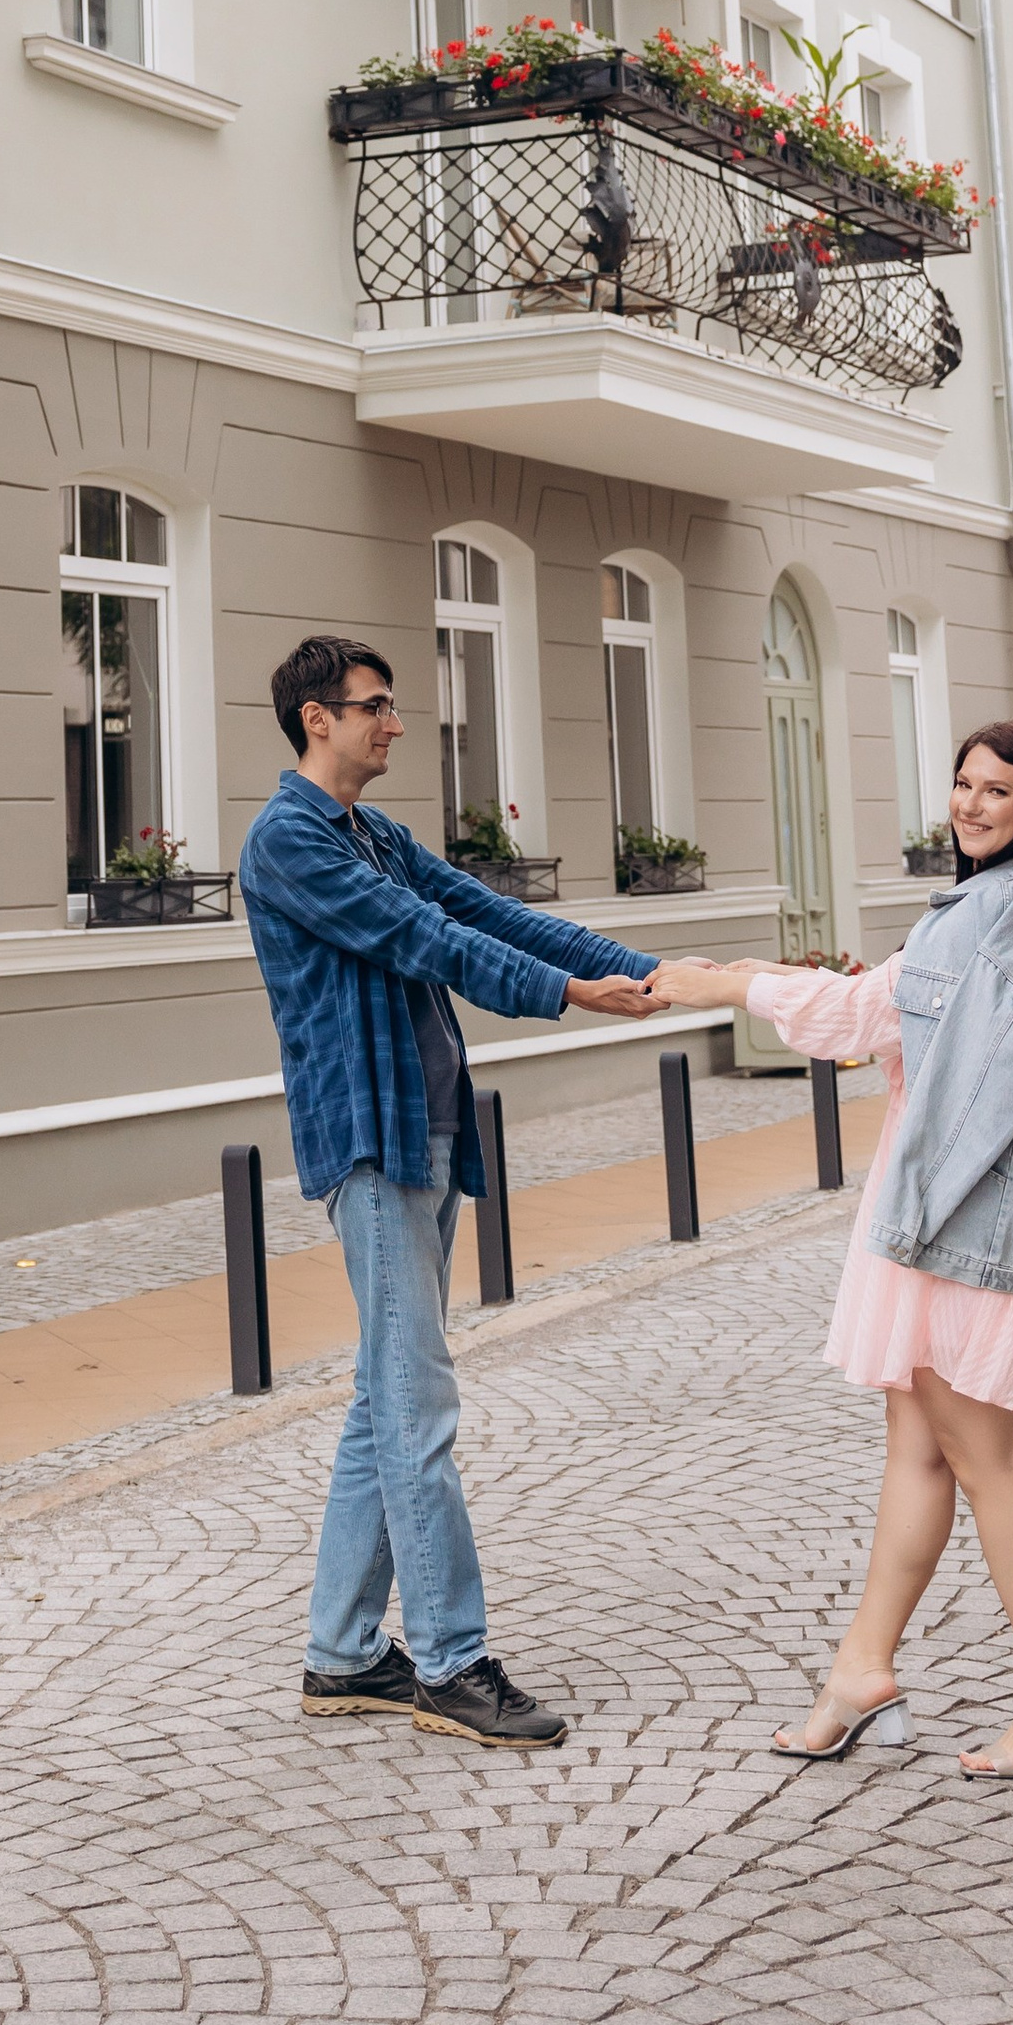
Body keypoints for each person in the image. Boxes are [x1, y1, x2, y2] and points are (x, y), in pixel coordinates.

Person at [656, 717, 1013, 1783]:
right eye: (963, 784)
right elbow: (898, 1008)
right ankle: (861, 1673)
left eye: (997, 791)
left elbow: (880, 1022)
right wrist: (760, 977)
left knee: (989, 1463)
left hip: (966, 1229)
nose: (971, 805)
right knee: (917, 1450)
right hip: (955, 1222)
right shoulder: (1006, 905)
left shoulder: (1002, 916)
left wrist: (729, 985)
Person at [238, 632, 667, 1749]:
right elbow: (423, 938)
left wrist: (644, 968)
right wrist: (569, 993)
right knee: (415, 1405)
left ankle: (342, 1656)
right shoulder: (287, 840)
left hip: (425, 1132)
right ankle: (449, 1662)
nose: (394, 723)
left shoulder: (373, 833)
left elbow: (488, 912)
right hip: (372, 1143)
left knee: (385, 1399)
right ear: (316, 719)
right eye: (374, 705)